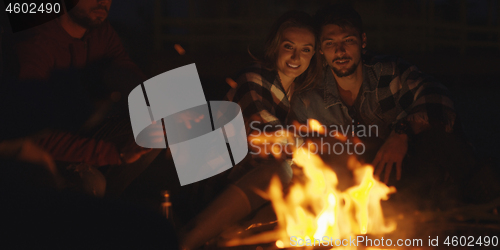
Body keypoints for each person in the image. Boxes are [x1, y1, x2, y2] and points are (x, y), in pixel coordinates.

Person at [288, 4, 476, 206]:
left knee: (438, 137)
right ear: (321, 51)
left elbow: (439, 98)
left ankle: (470, 196)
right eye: (330, 43)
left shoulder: (388, 74)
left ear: (363, 41)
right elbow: (300, 155)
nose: (340, 51)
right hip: (356, 189)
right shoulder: (310, 99)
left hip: (415, 169)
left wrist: (402, 132)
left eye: (348, 41)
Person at [179, 11, 321, 249]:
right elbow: (269, 131)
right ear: (275, 46)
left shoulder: (301, 94)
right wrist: (313, 154)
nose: (296, 56)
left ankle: (231, 239)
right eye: (289, 46)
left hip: (257, 186)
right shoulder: (253, 76)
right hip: (215, 183)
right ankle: (185, 240)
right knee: (282, 171)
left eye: (305, 49)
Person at [7, 0, 156, 196]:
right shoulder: (36, 44)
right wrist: (115, 154)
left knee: (156, 136)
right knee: (91, 184)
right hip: (43, 150)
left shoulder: (100, 31)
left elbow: (128, 76)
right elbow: (33, 135)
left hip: (84, 132)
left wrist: (166, 112)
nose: (102, 2)